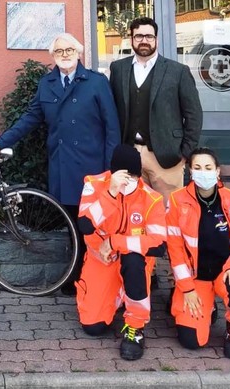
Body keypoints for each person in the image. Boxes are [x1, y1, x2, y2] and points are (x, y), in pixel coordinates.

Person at [0, 33, 120, 295]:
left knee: (92, 223)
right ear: (52, 55)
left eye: (69, 49)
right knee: (72, 221)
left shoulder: (96, 82)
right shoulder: (47, 84)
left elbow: (112, 128)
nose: (65, 54)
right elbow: (29, 118)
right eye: (59, 50)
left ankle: (91, 275)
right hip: (63, 165)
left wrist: (111, 169)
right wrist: (1, 142)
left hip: (93, 167)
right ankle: (77, 273)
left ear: (79, 52)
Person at [75, 144, 166, 361]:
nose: (128, 180)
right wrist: (111, 193)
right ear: (113, 172)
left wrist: (116, 242)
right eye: (123, 175)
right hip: (101, 260)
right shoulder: (94, 185)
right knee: (93, 327)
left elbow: (158, 245)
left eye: (133, 175)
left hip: (133, 261)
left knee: (134, 261)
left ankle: (135, 327)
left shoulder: (151, 199)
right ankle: (116, 298)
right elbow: (86, 226)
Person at [166, 147, 230, 360]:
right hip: (196, 278)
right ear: (190, 171)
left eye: (208, 167)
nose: (202, 172)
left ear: (217, 171)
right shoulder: (177, 201)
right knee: (191, 341)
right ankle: (207, 308)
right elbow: (175, 249)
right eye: (197, 167)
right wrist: (187, 288)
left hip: (226, 272)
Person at [109, 17, 203, 206]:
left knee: (169, 212)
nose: (144, 40)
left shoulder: (178, 71)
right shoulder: (118, 69)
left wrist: (184, 153)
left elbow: (194, 114)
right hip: (130, 153)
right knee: (135, 211)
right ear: (131, 39)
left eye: (149, 36)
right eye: (139, 36)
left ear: (156, 39)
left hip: (167, 156)